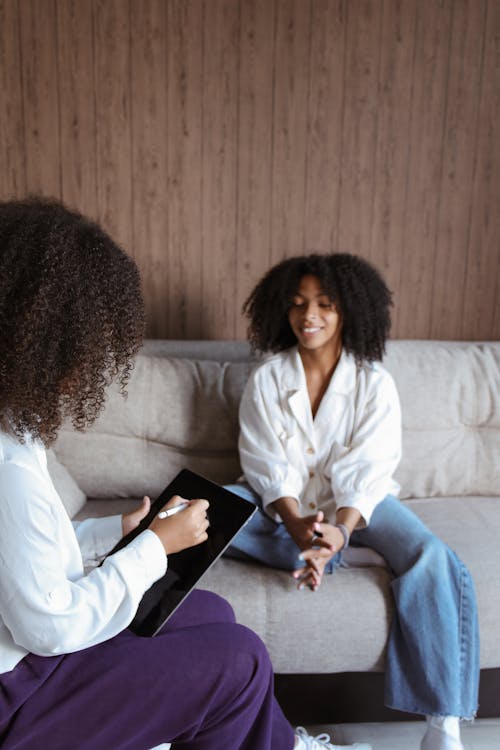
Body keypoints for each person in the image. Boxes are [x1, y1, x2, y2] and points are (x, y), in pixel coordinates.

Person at [0, 199, 371, 750]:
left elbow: (23, 556)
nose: (95, 363)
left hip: (32, 657)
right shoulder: (8, 468)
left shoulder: (16, 432)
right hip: (23, 692)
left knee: (212, 611)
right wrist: (150, 548)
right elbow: (49, 627)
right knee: (239, 660)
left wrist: (117, 535)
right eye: (89, 345)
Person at [225, 253, 480, 750]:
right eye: (298, 304)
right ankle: (324, 551)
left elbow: (368, 469)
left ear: (349, 311)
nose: (309, 316)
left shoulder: (374, 384)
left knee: (431, 555)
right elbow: (265, 464)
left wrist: (340, 529)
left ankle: (442, 724)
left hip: (362, 506)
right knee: (209, 512)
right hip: (284, 507)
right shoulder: (268, 380)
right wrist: (299, 524)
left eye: (325, 304)